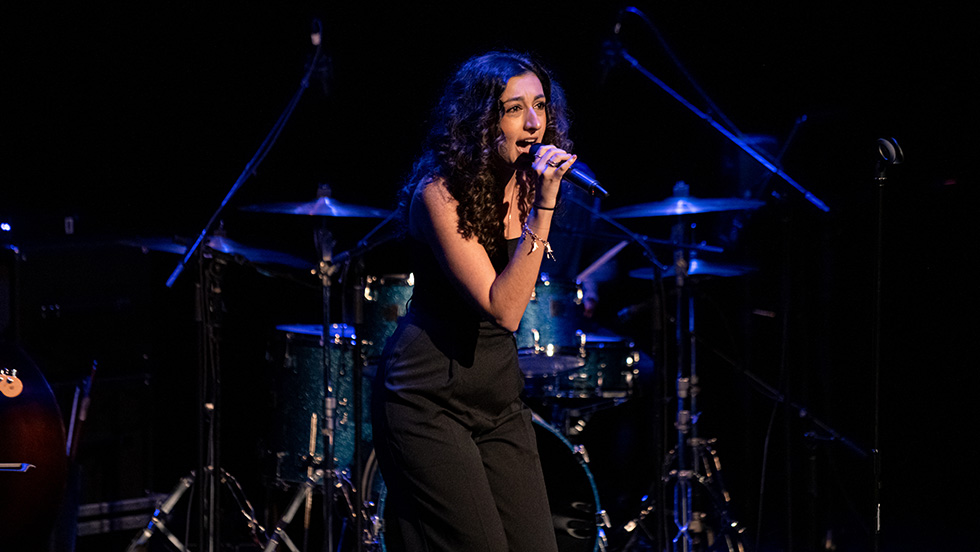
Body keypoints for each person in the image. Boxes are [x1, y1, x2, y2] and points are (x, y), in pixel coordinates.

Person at [370, 50, 576, 552]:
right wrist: (544, 206)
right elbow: (504, 309)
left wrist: (538, 201)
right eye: (513, 109)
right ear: (481, 122)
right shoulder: (438, 195)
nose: (533, 123)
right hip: (426, 401)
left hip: (498, 400)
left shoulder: (525, 186)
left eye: (541, 106)